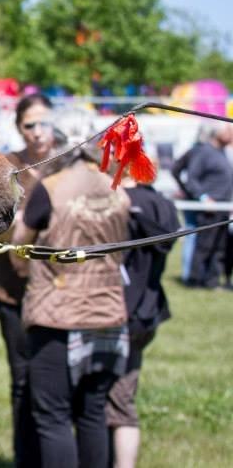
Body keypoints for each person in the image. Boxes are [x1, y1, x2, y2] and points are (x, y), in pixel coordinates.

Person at [14, 112, 131, 468]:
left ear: (62, 144)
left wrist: (25, 268)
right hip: (108, 313)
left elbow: (21, 246)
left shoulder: (51, 188)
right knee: (93, 411)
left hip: (57, 316)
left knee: (53, 416)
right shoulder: (117, 187)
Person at [0, 93, 58, 468]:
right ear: (19, 128)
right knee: (23, 379)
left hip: (61, 293)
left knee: (58, 383)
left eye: (44, 122)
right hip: (12, 288)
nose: (38, 132)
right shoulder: (6, 167)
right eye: (30, 124)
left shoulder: (67, 164)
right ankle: (25, 460)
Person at [107, 175, 179, 468]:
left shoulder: (112, 201)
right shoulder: (162, 203)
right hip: (146, 313)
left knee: (112, 402)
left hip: (112, 312)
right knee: (121, 395)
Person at [183, 124, 233, 289]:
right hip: (209, 208)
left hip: (223, 208)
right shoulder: (204, 151)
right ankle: (194, 280)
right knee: (204, 246)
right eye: (228, 131)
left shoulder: (222, 153)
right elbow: (191, 178)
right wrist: (204, 198)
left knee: (219, 247)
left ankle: (212, 281)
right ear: (218, 132)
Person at [171, 127, 209, 282]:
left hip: (194, 197)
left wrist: (183, 187)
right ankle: (189, 275)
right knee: (191, 234)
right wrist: (184, 188)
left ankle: (192, 274)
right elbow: (177, 170)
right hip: (196, 199)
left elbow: (176, 169)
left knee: (192, 234)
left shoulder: (192, 151)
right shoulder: (198, 152)